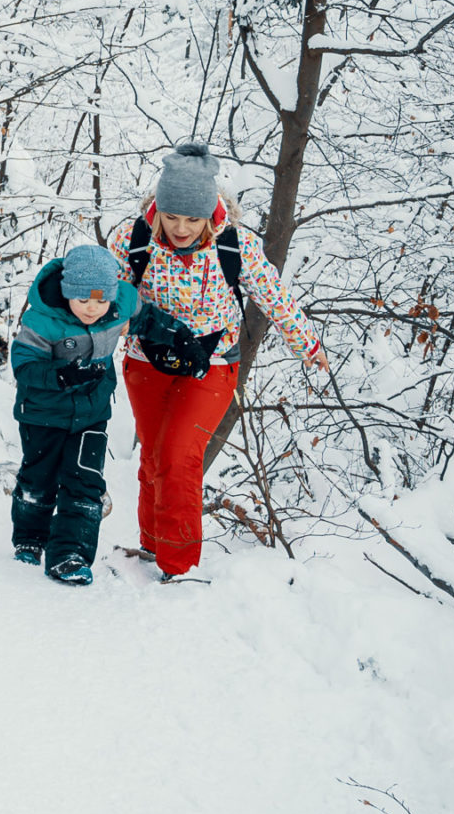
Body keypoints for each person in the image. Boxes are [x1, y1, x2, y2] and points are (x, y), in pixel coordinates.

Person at [106, 141, 328, 581]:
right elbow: (106, 299)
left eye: (193, 218)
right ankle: (153, 547)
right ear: (158, 207)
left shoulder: (235, 246)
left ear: (211, 211)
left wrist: (309, 346)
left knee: (178, 455)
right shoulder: (132, 239)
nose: (182, 228)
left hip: (213, 364)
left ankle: (180, 566)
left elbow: (274, 296)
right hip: (146, 362)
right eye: (173, 216)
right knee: (152, 457)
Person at [8, 244, 138, 587]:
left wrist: (180, 339)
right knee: (40, 477)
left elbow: (146, 318)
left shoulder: (118, 308)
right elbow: (24, 367)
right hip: (42, 415)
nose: (93, 309)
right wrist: (61, 375)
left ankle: (70, 555)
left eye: (100, 301)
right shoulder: (42, 321)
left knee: (84, 480)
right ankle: (30, 539)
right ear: (67, 294)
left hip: (92, 415)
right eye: (83, 301)